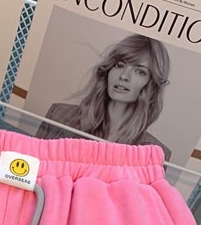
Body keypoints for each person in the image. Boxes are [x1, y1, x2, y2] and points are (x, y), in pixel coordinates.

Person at [36, 33, 171, 161]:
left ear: (152, 84)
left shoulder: (155, 153)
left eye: (140, 71)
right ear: (108, 70)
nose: (124, 76)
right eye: (120, 65)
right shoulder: (59, 115)